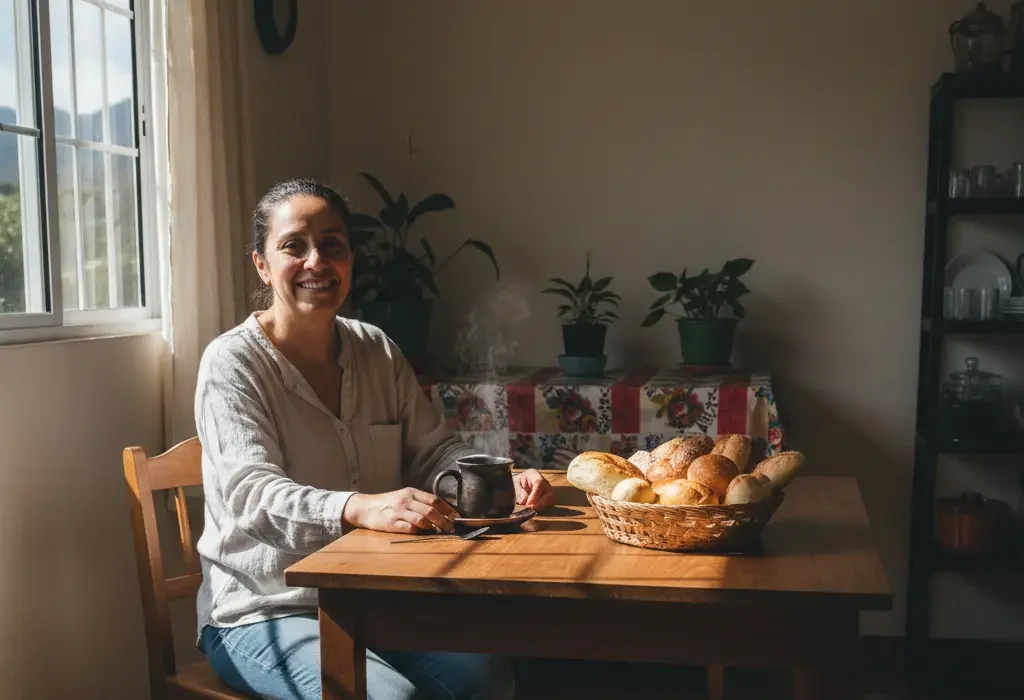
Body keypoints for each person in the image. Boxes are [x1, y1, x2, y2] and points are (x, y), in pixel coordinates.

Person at [193, 178, 555, 700]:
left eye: (332, 245)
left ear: (350, 260)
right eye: (294, 245)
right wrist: (356, 507)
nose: (316, 260)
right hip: (263, 610)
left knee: (487, 678)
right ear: (262, 265)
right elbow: (250, 494)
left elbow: (433, 452)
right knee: (390, 698)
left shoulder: (376, 349)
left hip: (372, 599)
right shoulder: (232, 363)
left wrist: (493, 475)